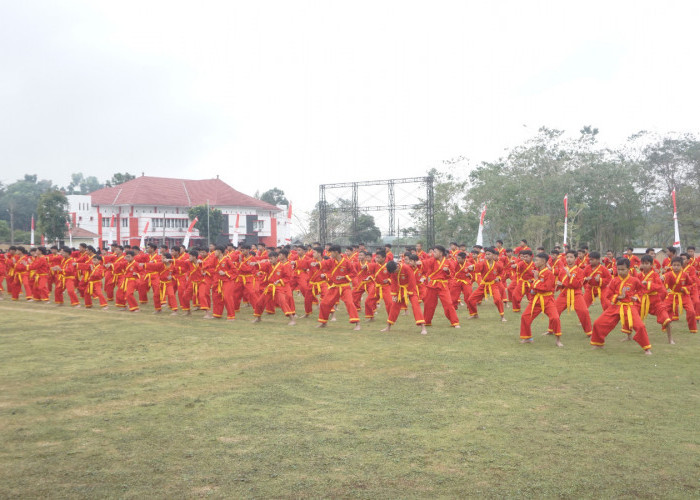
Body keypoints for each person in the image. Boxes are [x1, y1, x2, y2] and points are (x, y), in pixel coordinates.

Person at [590, 258, 652, 354]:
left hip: (629, 306)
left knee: (640, 326)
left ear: (628, 269)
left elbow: (641, 291)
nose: (620, 272)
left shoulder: (634, 280)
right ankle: (598, 344)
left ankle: (647, 348)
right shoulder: (614, 281)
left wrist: (636, 297)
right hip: (616, 306)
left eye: (623, 269)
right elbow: (609, 295)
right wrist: (619, 297)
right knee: (598, 323)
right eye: (618, 269)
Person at [519, 252, 563, 347]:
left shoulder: (548, 273)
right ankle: (527, 338)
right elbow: (534, 287)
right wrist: (534, 285)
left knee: (555, 318)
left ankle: (558, 339)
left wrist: (535, 280)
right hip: (536, 299)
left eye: (537, 260)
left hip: (547, 299)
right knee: (525, 316)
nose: (535, 262)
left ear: (543, 262)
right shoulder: (536, 271)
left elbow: (545, 288)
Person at [317, 245, 360, 330]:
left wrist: (344, 277)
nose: (330, 254)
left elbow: (354, 273)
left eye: (331, 252)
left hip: (345, 287)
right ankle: (323, 322)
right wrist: (316, 263)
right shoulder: (331, 261)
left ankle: (357, 323)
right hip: (334, 287)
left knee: (350, 303)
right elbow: (323, 264)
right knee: (324, 303)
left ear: (336, 252)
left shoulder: (347, 262)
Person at [381, 259, 427, 335]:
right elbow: (394, 283)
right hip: (400, 290)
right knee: (394, 306)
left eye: (395, 270)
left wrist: (409, 293)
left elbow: (412, 281)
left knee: (416, 305)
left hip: (411, 289)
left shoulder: (406, 268)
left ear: (397, 266)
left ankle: (423, 327)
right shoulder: (393, 272)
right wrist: (395, 295)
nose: (394, 272)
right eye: (393, 272)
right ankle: (388, 327)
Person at [552, 249, 592, 337]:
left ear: (575, 258)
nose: (569, 259)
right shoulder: (563, 270)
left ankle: (589, 332)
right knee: (554, 310)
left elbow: (578, 285)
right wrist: (559, 285)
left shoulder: (580, 271)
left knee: (584, 311)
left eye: (571, 257)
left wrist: (570, 276)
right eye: (567, 257)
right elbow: (560, 282)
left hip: (576, 294)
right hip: (564, 293)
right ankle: (551, 329)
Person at [635, 255, 673, 344]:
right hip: (642, 300)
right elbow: (635, 287)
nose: (645, 265)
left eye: (647, 263)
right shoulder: (639, 275)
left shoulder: (655, 275)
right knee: (630, 316)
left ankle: (670, 339)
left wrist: (648, 283)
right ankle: (628, 336)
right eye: (643, 263)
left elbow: (660, 287)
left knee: (666, 319)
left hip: (655, 301)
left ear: (651, 264)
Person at [421, 245, 460, 328]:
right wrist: (418, 263)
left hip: (443, 285)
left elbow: (452, 275)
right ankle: (427, 321)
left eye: (435, 252)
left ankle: (455, 322)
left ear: (441, 253)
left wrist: (448, 271)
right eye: (433, 251)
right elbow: (424, 263)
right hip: (432, 285)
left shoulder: (449, 262)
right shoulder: (432, 260)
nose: (433, 253)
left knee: (449, 303)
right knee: (429, 304)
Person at [466, 247, 506, 322]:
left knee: (498, 300)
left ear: (493, 255)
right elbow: (477, 266)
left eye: (489, 254)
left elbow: (502, 272)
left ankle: (502, 316)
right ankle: (474, 314)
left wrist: (499, 278)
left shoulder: (498, 265)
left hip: (493, 285)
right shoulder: (483, 263)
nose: (487, 256)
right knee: (470, 299)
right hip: (483, 285)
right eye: (486, 254)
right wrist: (472, 267)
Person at [663, 257, 697, 333]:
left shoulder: (685, 274)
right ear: (671, 265)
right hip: (672, 295)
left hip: (684, 295)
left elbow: (691, 284)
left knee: (692, 312)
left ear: (681, 266)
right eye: (674, 265)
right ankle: (665, 326)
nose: (676, 267)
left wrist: (685, 288)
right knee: (664, 309)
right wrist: (662, 278)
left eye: (678, 265)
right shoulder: (668, 274)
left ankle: (693, 328)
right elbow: (664, 283)